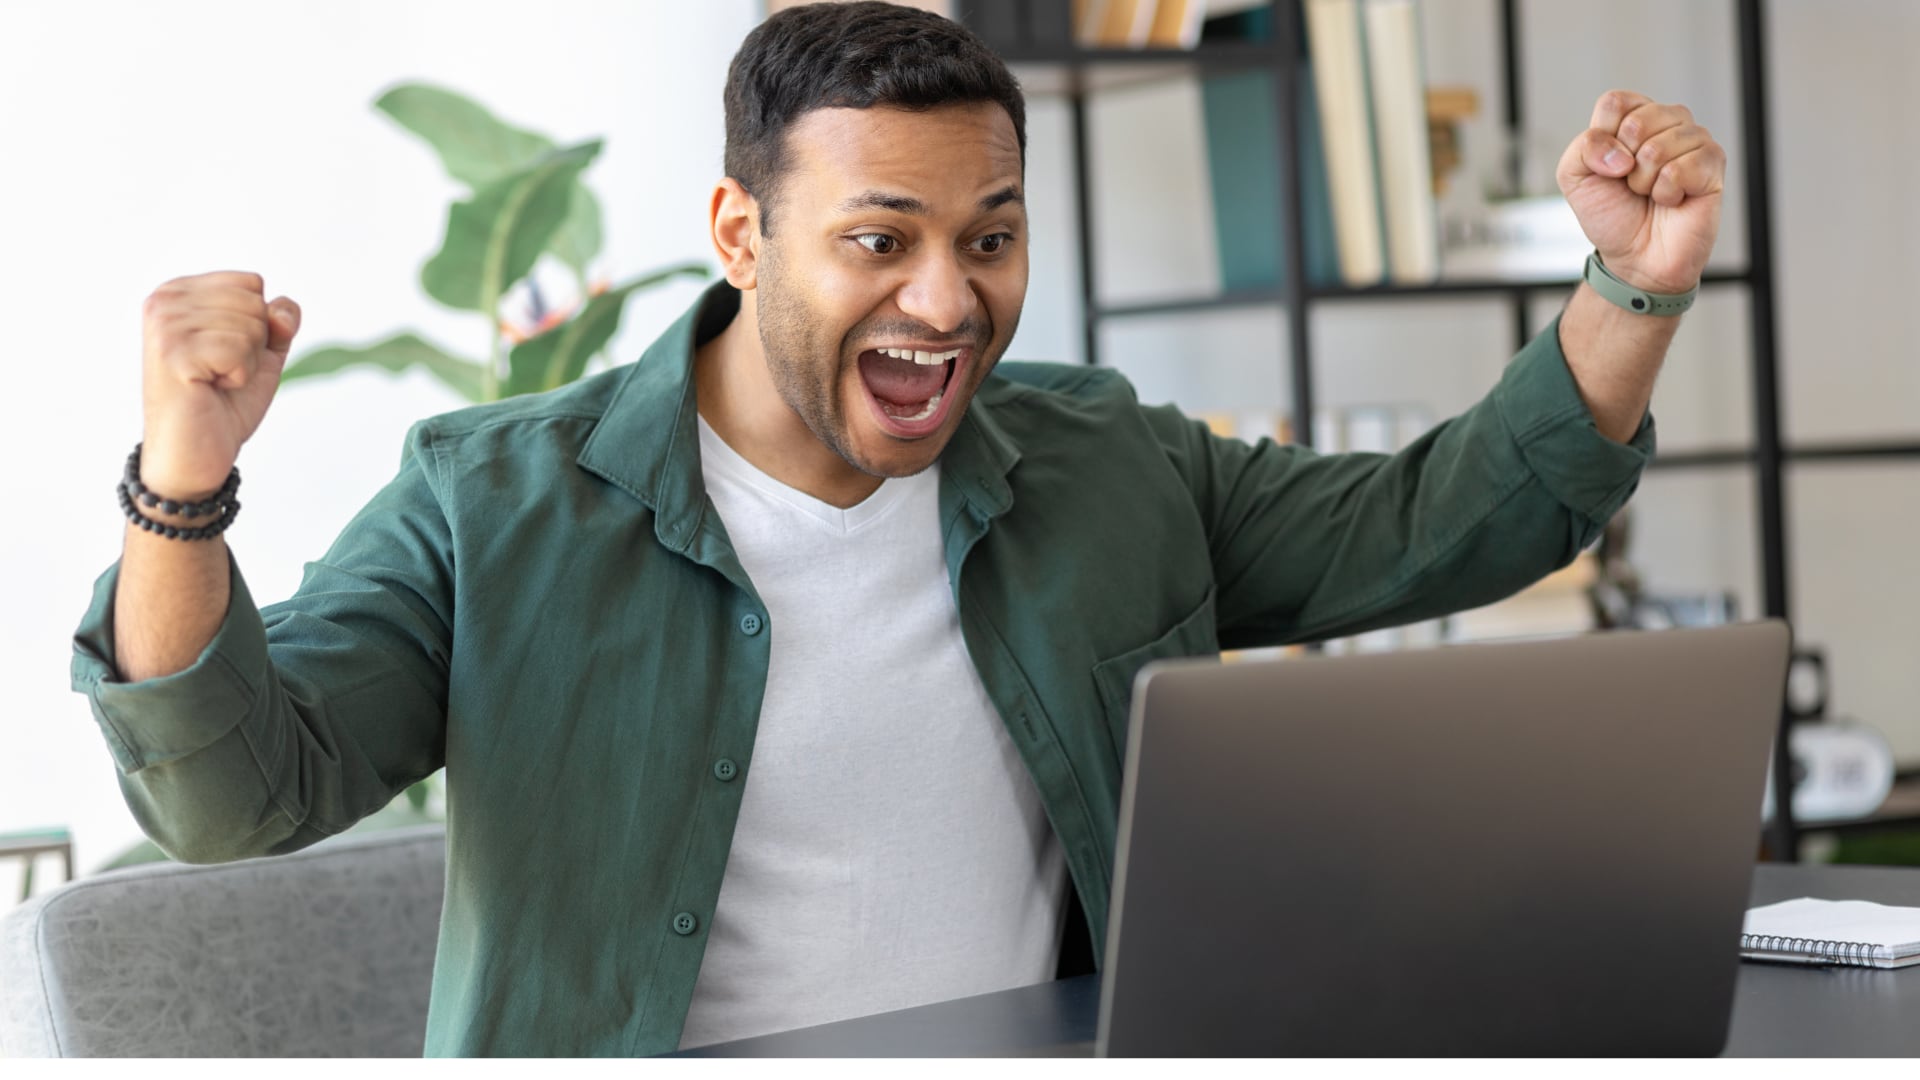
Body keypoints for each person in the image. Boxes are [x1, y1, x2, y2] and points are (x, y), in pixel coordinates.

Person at [72, 0, 1723, 1058]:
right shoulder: (495, 501)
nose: (949, 300)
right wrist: (184, 478)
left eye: (990, 236)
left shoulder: (1101, 461)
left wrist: (1634, 281)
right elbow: (233, 795)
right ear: (740, 229)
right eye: (880, 240)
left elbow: (1433, 524)